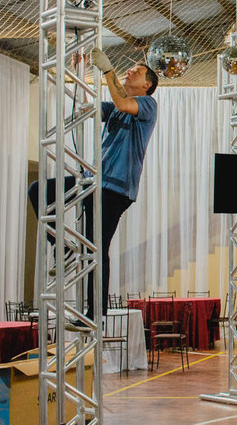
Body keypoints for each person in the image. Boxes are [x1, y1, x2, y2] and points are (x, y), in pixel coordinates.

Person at [28, 49, 158, 320]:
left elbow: (124, 104)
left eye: (137, 71)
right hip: (94, 182)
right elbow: (86, 105)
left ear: (147, 85)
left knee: (96, 247)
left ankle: (95, 311)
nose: (130, 71)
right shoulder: (115, 107)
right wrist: (81, 71)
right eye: (129, 69)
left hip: (117, 188)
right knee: (39, 190)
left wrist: (109, 71)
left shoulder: (147, 105)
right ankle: (62, 247)